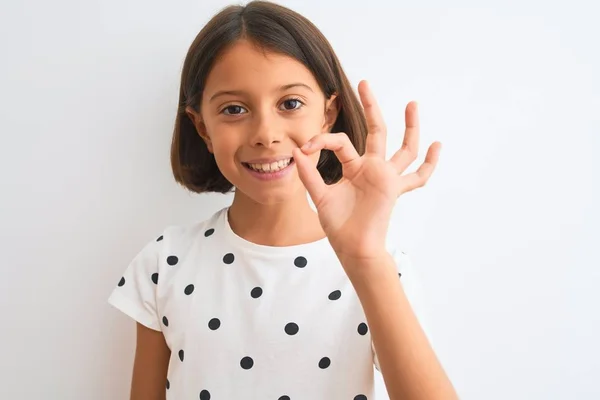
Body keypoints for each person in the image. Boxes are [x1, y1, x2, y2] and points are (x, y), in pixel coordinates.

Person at [108, 1, 457, 399]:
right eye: (234, 109)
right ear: (202, 127)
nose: (266, 133)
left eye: (290, 103)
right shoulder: (165, 262)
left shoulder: (380, 264)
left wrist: (365, 261)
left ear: (328, 115)